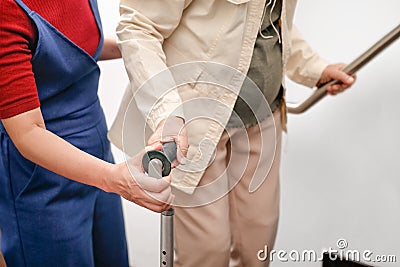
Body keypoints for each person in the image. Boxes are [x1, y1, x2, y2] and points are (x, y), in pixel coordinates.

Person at [111, 0, 356, 266]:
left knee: (258, 242)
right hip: (194, 124)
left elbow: (270, 21)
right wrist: (167, 114)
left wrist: (314, 69)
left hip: (263, 114)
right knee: (207, 252)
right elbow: (138, 25)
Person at [0, 0, 174, 266]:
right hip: (41, 173)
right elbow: (27, 133)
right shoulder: (7, 11)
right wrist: (115, 178)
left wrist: (139, 48)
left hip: (97, 149)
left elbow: (70, 45)